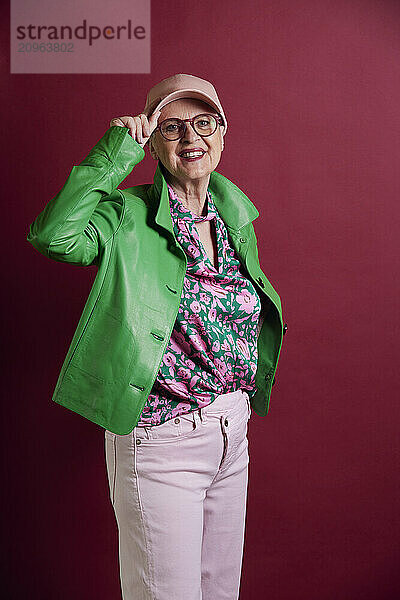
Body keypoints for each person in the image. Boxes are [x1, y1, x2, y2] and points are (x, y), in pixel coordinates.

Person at [26, 73, 287, 600]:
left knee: (220, 594)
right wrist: (114, 152)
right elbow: (54, 237)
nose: (191, 137)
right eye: (172, 127)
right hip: (160, 440)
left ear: (222, 132)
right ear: (152, 139)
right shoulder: (127, 215)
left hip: (229, 435)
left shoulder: (234, 217)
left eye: (203, 122)